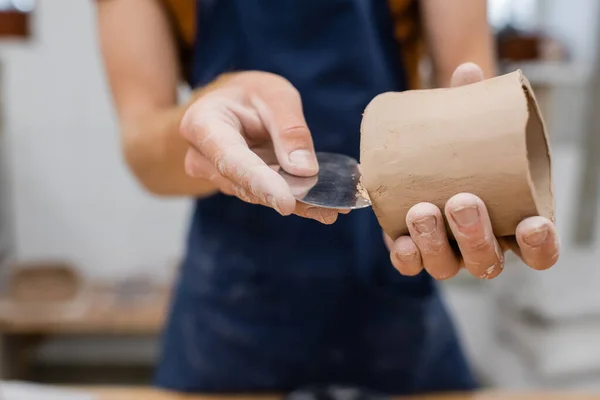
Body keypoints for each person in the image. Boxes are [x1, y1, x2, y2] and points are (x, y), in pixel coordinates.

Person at [95, 0, 560, 395]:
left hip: (393, 278)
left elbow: (465, 78)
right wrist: (212, 121)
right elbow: (141, 145)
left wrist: (481, 180)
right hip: (232, 300)